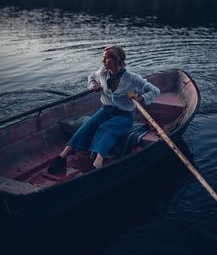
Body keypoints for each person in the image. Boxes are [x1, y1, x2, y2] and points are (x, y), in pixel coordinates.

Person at [48, 45, 160, 174]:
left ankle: (98, 162)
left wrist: (139, 97)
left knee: (105, 128)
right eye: (103, 58)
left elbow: (155, 90)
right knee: (88, 124)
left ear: (117, 60)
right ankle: (63, 155)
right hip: (105, 111)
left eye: (106, 58)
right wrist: (93, 86)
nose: (103, 61)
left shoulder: (132, 78)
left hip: (123, 116)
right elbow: (91, 77)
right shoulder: (103, 72)